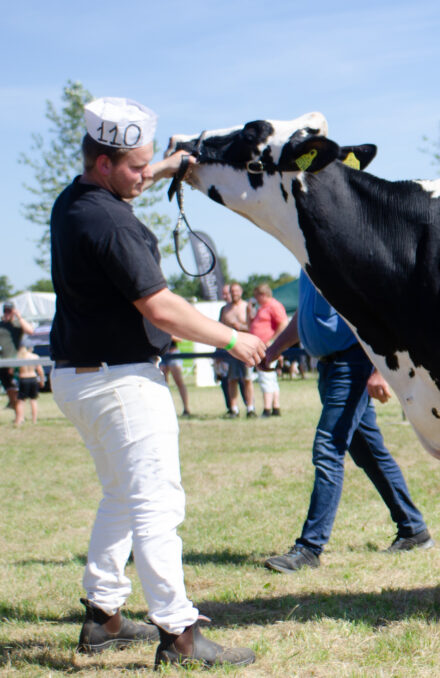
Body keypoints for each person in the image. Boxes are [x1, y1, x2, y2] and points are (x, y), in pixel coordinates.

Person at [48, 97, 265, 668]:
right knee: (156, 504)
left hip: (83, 376)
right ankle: (179, 632)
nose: (146, 176)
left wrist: (167, 167)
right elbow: (161, 306)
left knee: (122, 497)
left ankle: (103, 616)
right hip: (121, 381)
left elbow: (128, 178)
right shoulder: (110, 221)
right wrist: (229, 338)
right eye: (136, 168)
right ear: (104, 165)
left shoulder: (76, 201)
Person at [262, 272, 432, 573]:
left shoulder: (335, 252)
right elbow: (304, 316)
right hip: (330, 368)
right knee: (368, 451)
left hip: (351, 365)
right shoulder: (307, 261)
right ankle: (413, 529)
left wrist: (381, 369)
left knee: (328, 448)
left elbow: (377, 311)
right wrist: (275, 349)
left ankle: (309, 548)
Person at [249, 283, 288, 416]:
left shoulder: (273, 305)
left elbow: (283, 323)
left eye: (256, 295)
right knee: (270, 377)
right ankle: (275, 407)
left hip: (267, 347)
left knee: (265, 376)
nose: (255, 298)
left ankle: (267, 409)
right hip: (263, 346)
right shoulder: (262, 307)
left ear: (263, 294)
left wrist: (272, 341)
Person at [219, 282, 256, 418]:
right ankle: (234, 409)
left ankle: (250, 408)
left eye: (236, 291)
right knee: (231, 379)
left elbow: (253, 327)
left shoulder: (247, 307)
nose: (234, 293)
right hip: (230, 349)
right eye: (232, 291)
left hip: (245, 347)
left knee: (247, 379)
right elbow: (220, 328)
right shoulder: (225, 309)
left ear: (241, 292)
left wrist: (240, 326)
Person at [1, 301, 35, 418]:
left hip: (14, 361)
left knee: (15, 389)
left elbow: (30, 331)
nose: (7, 313)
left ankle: (19, 417)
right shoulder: (1, 324)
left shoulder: (17, 324)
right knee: (9, 390)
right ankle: (17, 413)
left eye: (9, 310)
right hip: (2, 361)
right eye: (5, 310)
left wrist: (18, 316)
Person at [15, 343, 45, 425]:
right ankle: (34, 420)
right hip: (33, 378)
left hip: (23, 378)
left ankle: (19, 419)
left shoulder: (19, 357)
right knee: (33, 400)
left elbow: (13, 370)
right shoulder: (35, 356)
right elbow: (40, 370)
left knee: (21, 401)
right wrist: (42, 380)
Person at [160, 338, 191, 417]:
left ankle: (186, 409)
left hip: (173, 353)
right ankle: (166, 410)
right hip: (162, 355)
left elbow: (180, 339)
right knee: (163, 385)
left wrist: (167, 335)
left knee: (179, 382)